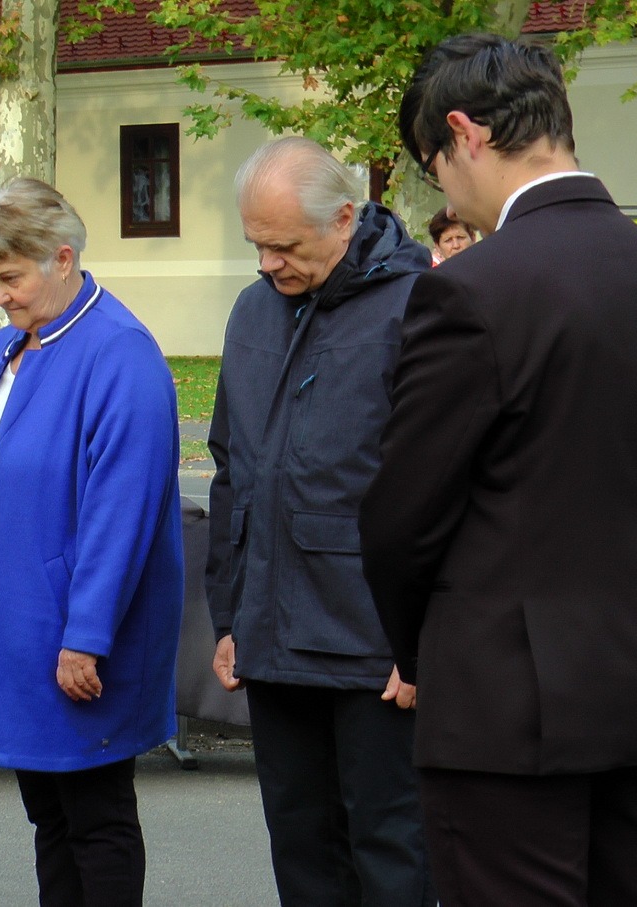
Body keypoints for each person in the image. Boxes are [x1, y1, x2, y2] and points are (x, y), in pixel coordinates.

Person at [361, 33, 637, 906]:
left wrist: (418, 652)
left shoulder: (470, 290)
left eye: (434, 167)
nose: (445, 194)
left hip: (503, 705)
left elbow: (401, 518)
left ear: (462, 133)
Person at [0, 177, 184, 907]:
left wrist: (86, 636)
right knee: (49, 814)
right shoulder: (5, 347)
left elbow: (122, 514)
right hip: (6, 622)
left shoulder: (120, 354)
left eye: (9, 277)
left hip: (71, 634)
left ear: (62, 258)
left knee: (94, 816)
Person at [206, 137, 434, 906]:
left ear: (344, 219)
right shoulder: (252, 310)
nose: (267, 263)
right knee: (301, 849)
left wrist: (421, 640)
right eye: (255, 244)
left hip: (374, 646)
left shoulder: (417, 305)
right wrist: (229, 615)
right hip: (272, 636)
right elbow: (231, 468)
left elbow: (442, 487)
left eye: (284, 246)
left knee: (391, 852)